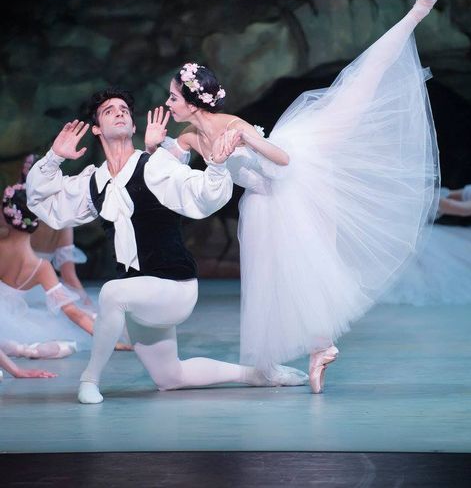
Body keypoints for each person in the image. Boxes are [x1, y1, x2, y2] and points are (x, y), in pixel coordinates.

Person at [146, 0, 444, 393]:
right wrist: (156, 146)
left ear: (193, 101)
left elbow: (282, 159)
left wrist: (247, 139)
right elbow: (162, 172)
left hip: (300, 163)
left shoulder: (232, 123)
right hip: (266, 200)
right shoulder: (190, 136)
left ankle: (416, 10)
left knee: (357, 89)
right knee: (290, 278)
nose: (168, 103)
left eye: (173, 97)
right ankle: (320, 349)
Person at [26, 88, 308, 405]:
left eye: (124, 109)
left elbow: (202, 193)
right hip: (139, 295)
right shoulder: (92, 181)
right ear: (96, 129)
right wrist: (54, 157)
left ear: (133, 127)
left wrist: (215, 165)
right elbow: (42, 199)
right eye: (109, 111)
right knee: (170, 377)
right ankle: (255, 375)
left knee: (111, 293)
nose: (119, 112)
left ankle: (89, 379)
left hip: (174, 287)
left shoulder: (155, 166)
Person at [0, 184, 97, 351]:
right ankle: (26, 349)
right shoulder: (42, 267)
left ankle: (20, 349)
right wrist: (108, 339)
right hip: (15, 318)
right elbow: (72, 311)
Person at [20, 154, 93, 307]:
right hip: (47, 293)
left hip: (15, 293)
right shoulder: (62, 216)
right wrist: (89, 307)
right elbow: (69, 276)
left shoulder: (15, 213)